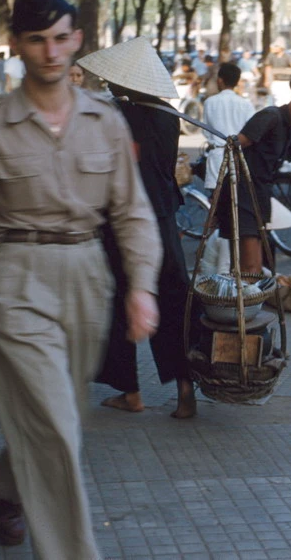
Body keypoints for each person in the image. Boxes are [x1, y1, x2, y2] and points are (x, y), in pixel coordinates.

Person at [0, 0, 161, 558]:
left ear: (77, 40)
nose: (51, 52)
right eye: (37, 40)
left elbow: (133, 212)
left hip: (88, 277)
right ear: (17, 44)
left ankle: (6, 488)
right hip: (14, 279)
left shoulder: (106, 122)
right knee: (57, 424)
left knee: (58, 417)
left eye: (61, 39)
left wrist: (143, 286)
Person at [78, 36, 199, 419]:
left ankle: (130, 393)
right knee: (174, 303)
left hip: (124, 223)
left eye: (114, 80)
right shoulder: (168, 116)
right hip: (164, 220)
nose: (109, 84)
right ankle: (184, 391)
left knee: (117, 301)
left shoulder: (115, 115)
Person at [216, 71, 291, 274]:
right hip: (243, 193)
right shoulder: (271, 116)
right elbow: (235, 147)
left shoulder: (288, 126)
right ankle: (244, 304)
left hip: (260, 194)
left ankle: (249, 302)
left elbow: (268, 162)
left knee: (259, 265)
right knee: (250, 267)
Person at [201, 63, 258, 275]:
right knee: (233, 212)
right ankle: (228, 264)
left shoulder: (210, 102)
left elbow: (207, 130)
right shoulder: (244, 104)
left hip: (217, 157)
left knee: (217, 212)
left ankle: (219, 267)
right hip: (237, 159)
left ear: (220, 80)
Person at [262, 38, 291, 107]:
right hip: (275, 81)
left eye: (276, 46)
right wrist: (267, 80)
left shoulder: (288, 56)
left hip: (286, 82)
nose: (274, 48)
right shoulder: (271, 56)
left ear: (281, 47)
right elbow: (268, 68)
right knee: (275, 102)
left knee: (286, 102)